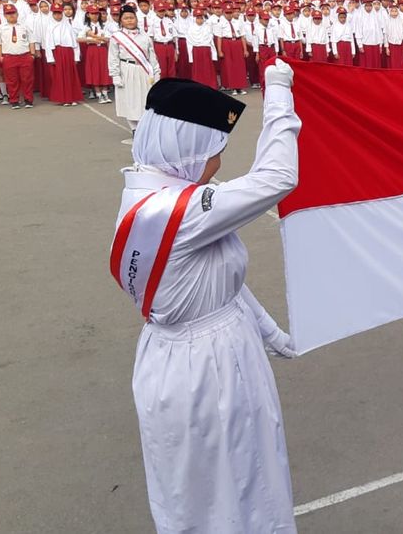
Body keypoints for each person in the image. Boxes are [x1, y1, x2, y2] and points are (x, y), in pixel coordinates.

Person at [111, 65, 300, 533]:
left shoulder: (158, 194)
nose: (217, 165)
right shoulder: (179, 213)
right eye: (214, 153)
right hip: (206, 370)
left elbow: (220, 284)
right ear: (187, 148)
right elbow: (278, 176)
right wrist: (279, 97)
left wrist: (273, 334)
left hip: (200, 352)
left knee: (233, 479)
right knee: (226, 484)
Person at [109, 6, 160, 133]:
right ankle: (134, 129)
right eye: (126, 18)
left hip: (143, 70)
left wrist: (156, 71)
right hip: (126, 69)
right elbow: (113, 57)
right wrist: (115, 75)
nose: (129, 21)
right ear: (121, 21)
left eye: (132, 18)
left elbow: (152, 56)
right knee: (129, 100)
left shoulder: (145, 37)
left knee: (144, 99)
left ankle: (145, 126)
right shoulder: (116, 37)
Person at [0, 4, 37, 109]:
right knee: (12, 80)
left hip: (25, 56)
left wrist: (32, 55)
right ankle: (14, 100)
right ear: (4, 15)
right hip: (9, 57)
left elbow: (31, 41)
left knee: (27, 79)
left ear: (17, 14)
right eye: (8, 14)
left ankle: (28, 100)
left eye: (13, 13)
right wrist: (0, 57)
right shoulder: (0, 28)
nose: (11, 15)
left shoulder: (24, 26)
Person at [45, 4, 83, 107]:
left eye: (59, 13)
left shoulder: (68, 25)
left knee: (71, 75)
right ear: (52, 14)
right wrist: (50, 58)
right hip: (58, 52)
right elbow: (48, 44)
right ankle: (64, 98)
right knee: (60, 76)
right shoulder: (50, 27)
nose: (58, 16)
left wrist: (76, 56)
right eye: (55, 14)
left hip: (68, 52)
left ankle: (73, 97)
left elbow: (75, 42)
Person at [79, 7, 111, 104]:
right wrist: (91, 39)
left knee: (104, 70)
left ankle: (105, 93)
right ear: (88, 15)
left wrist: (99, 37)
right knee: (95, 70)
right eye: (92, 14)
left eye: (97, 14)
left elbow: (108, 38)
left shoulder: (104, 26)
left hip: (102, 49)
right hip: (92, 49)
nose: (95, 16)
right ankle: (98, 94)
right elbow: (79, 38)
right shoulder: (86, 27)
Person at [185, 9, 219, 89]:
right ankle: (198, 86)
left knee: (208, 68)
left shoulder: (207, 28)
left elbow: (211, 41)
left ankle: (210, 85)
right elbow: (189, 43)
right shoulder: (191, 29)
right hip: (196, 50)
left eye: (201, 18)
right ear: (194, 19)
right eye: (198, 18)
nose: (200, 20)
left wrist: (214, 54)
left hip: (206, 49)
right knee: (198, 69)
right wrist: (190, 56)